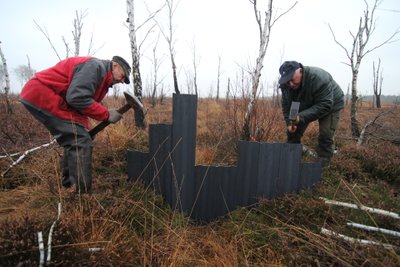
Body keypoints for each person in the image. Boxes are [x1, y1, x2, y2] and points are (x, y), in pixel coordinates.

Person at [19, 55, 131, 194]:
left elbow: (81, 107)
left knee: (79, 136)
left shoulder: (103, 80)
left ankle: (68, 187)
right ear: (115, 66)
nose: (121, 81)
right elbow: (77, 98)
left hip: (53, 98)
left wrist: (87, 127)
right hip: (42, 94)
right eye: (123, 76)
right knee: (80, 140)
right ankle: (81, 195)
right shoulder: (95, 67)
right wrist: (106, 114)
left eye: (124, 80)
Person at [278, 61, 344, 167]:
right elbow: (287, 107)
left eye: (292, 79)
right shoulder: (287, 86)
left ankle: (323, 164)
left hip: (330, 103)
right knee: (292, 131)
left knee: (325, 134)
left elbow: (325, 104)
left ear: (301, 71)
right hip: (307, 102)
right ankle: (292, 158)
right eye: (287, 81)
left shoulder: (319, 77)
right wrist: (290, 122)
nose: (290, 84)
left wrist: (301, 116)